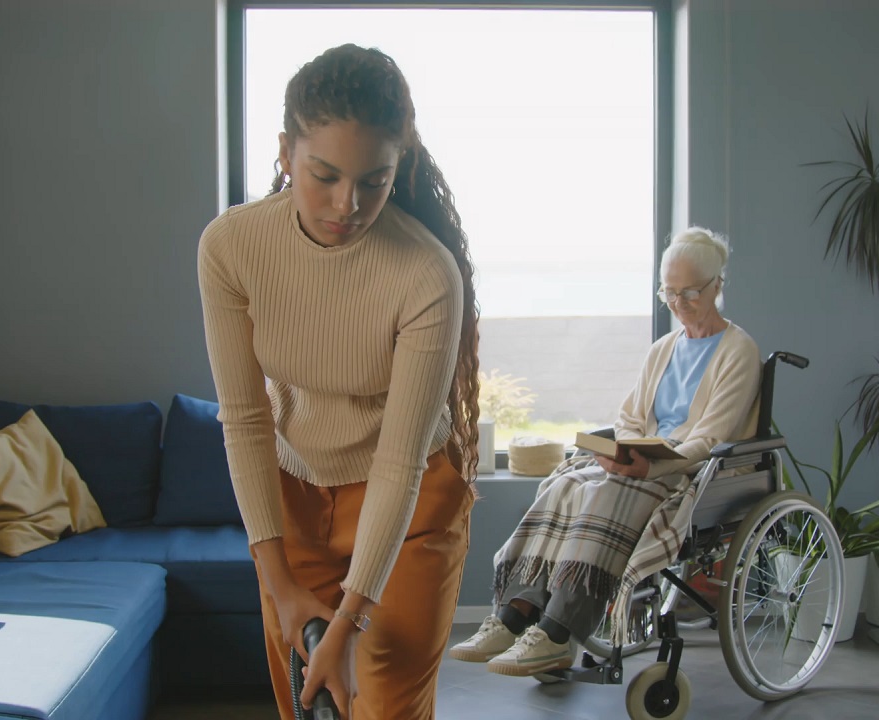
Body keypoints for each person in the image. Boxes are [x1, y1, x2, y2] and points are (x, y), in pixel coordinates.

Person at [198, 44, 479, 720]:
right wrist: (278, 582)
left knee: (382, 701)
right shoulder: (231, 247)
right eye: (324, 174)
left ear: (399, 166)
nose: (347, 204)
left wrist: (349, 621)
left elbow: (399, 462)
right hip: (291, 497)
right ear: (286, 151)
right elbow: (243, 419)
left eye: (374, 181)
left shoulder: (425, 274)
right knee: (309, 703)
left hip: (407, 503)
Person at [448, 227, 760, 677]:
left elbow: (709, 439)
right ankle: (514, 615)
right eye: (667, 292)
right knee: (567, 484)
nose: (677, 303)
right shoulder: (662, 350)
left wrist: (651, 464)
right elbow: (630, 417)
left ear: (718, 286)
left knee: (604, 495)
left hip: (686, 470)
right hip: (645, 461)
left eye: (689, 292)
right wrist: (621, 450)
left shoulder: (738, 352)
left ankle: (557, 632)